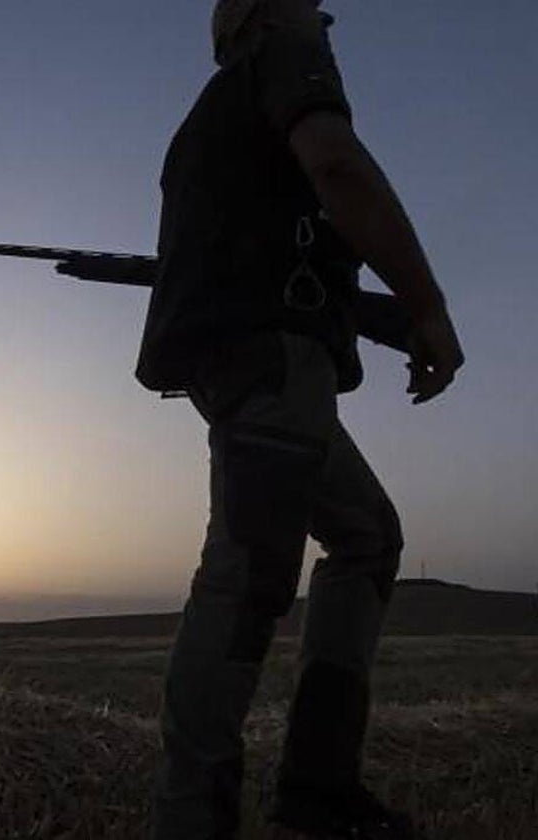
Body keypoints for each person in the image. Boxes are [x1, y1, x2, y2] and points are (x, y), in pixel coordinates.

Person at [137, 2, 464, 838]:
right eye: (308, 11)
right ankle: (191, 818)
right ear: (265, 20)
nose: (325, 26)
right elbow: (341, 171)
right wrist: (427, 307)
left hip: (261, 365)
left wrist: (370, 311)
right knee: (248, 577)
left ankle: (316, 790)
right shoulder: (281, 60)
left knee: (366, 537)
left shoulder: (205, 129)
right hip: (273, 365)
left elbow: (278, 249)